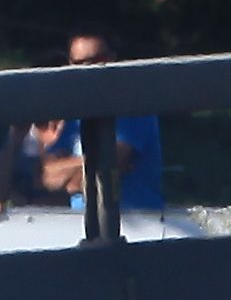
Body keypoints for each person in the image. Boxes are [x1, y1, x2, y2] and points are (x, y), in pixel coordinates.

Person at [43, 30, 166, 212]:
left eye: (97, 60)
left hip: (141, 222)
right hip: (80, 224)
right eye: (80, 63)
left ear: (112, 57)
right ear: (70, 65)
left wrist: (71, 176)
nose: (89, 69)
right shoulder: (74, 116)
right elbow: (47, 176)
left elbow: (110, 161)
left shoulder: (134, 107)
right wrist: (87, 171)